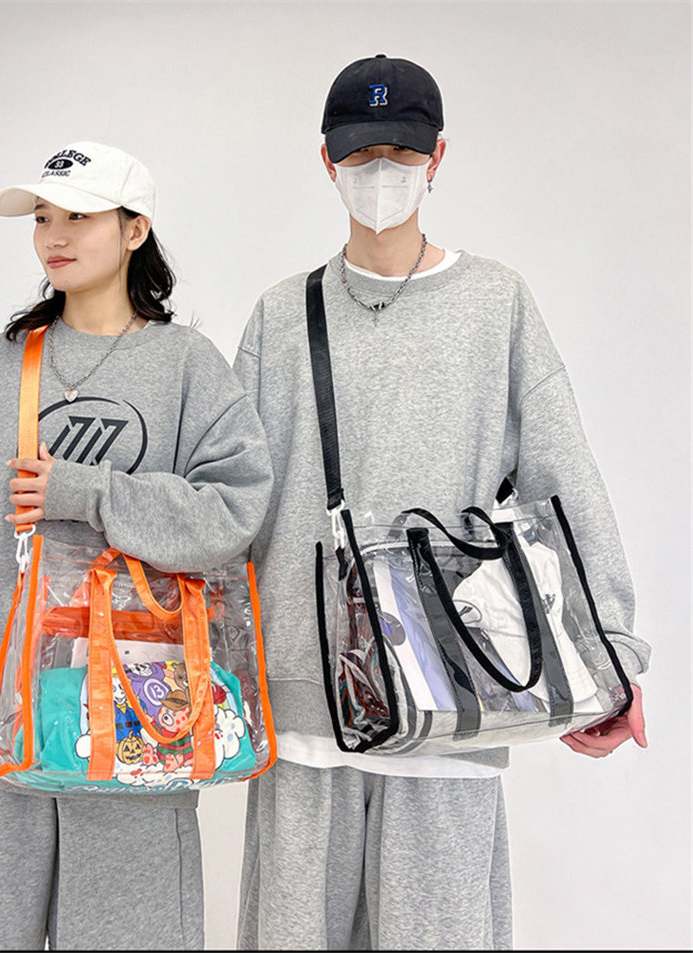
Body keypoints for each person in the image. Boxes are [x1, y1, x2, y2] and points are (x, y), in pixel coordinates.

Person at [233, 54, 651, 951]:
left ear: (438, 157)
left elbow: (562, 478)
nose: (380, 171)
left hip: (455, 698)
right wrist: (217, 673)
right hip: (304, 708)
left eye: (401, 152)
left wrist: (611, 654)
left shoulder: (496, 302)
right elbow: (241, 505)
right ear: (327, 160)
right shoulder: (280, 315)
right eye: (361, 153)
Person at [0, 140, 273, 951]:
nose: (53, 235)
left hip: (136, 725)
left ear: (134, 230)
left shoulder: (188, 365)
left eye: (79, 216)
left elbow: (234, 511)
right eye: (42, 218)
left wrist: (88, 492)